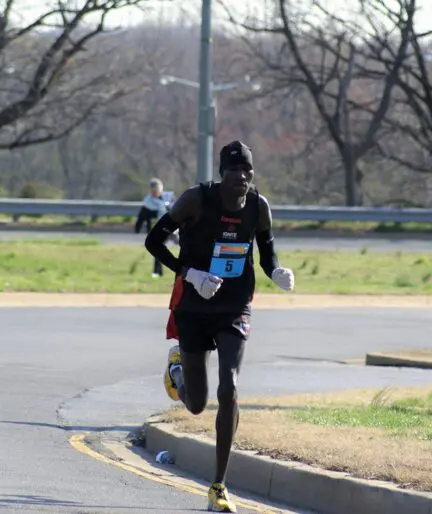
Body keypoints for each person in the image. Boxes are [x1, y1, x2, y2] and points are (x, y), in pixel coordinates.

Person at [144, 140, 295, 512]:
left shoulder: (259, 207)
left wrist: (275, 270)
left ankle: (219, 486)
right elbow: (153, 241)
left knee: (230, 387)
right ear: (222, 175)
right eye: (234, 172)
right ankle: (178, 367)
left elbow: (266, 250)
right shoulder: (195, 200)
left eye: (247, 171)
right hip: (194, 306)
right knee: (196, 404)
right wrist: (190, 273)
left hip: (234, 307)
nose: (241, 178)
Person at [135, 178, 173, 278]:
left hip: (171, 228)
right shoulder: (148, 202)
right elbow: (142, 216)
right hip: (156, 229)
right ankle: (157, 272)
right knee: (157, 248)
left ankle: (159, 272)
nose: (156, 193)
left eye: (157, 190)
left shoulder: (168, 199)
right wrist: (137, 229)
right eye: (154, 191)